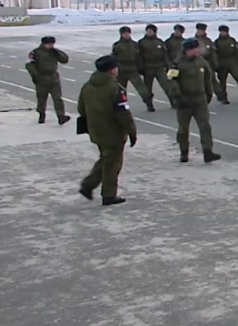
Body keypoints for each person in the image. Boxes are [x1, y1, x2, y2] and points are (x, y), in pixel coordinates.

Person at [77, 55, 136, 206]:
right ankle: (108, 194)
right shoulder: (114, 88)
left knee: (106, 158)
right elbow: (123, 114)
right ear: (112, 70)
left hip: (95, 130)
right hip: (113, 132)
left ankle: (88, 185)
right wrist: (132, 132)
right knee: (113, 164)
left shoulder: (88, 86)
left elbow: (80, 108)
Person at [169, 38, 221, 163]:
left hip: (199, 98)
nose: (198, 50)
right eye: (195, 48)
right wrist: (177, 96)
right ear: (188, 50)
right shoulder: (177, 64)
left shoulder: (201, 62)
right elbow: (171, 80)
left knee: (205, 126)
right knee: (183, 129)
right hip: (184, 99)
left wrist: (209, 93)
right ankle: (184, 151)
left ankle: (208, 152)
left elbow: (208, 78)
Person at [26, 36, 71, 125]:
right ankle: (41, 114)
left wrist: (58, 52)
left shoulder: (54, 52)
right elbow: (29, 65)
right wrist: (35, 76)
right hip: (42, 78)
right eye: (49, 44)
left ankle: (61, 116)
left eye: (52, 44)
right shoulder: (36, 52)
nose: (51, 46)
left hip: (53, 77)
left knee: (57, 98)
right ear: (44, 44)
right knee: (42, 98)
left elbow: (65, 60)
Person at [112, 26, 153, 111]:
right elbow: (113, 57)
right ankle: (123, 107)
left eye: (128, 33)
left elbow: (139, 57)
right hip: (122, 69)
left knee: (142, 89)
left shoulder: (134, 44)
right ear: (121, 34)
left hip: (133, 69)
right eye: (124, 33)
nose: (126, 35)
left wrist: (141, 68)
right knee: (121, 90)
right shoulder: (117, 45)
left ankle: (149, 104)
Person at [137, 24, 175, 109]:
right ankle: (149, 104)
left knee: (166, 85)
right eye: (148, 31)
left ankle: (173, 101)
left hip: (159, 67)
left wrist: (169, 66)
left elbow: (165, 55)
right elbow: (139, 57)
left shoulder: (159, 42)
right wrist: (140, 68)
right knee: (147, 89)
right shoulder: (142, 43)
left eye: (151, 31)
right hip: (148, 68)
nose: (149, 32)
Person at [214, 25, 238, 104]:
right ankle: (224, 98)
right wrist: (216, 64)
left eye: (223, 31)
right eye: (221, 31)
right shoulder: (217, 42)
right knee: (222, 82)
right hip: (222, 63)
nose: (222, 33)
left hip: (232, 62)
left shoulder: (232, 40)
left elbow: (237, 53)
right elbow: (215, 54)